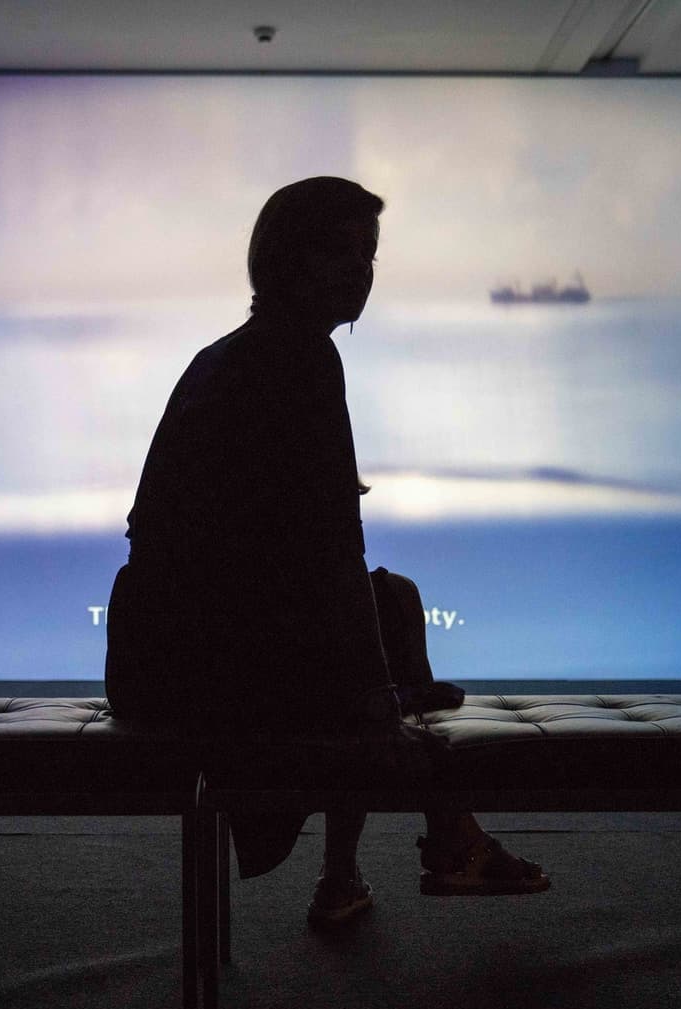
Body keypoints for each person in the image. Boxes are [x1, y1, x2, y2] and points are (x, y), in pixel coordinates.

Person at [105, 176, 548, 927]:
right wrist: (380, 686)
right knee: (384, 621)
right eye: (338, 250)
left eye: (369, 254)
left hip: (162, 656)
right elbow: (328, 552)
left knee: (383, 613)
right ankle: (429, 840)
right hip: (202, 670)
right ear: (285, 258)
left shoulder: (237, 352)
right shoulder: (299, 358)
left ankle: (376, 861)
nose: (360, 270)